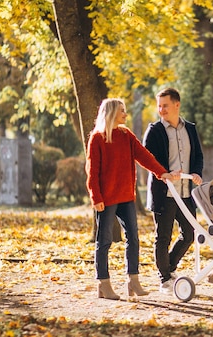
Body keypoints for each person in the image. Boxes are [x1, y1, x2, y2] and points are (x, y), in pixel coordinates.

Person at [86, 98, 175, 300]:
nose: (125, 114)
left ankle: (133, 281)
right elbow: (92, 172)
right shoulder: (98, 138)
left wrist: (162, 173)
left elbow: (144, 156)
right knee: (105, 240)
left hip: (126, 196)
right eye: (122, 111)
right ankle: (103, 284)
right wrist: (96, 196)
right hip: (106, 198)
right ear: (110, 113)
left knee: (133, 238)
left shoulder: (126, 135)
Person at [143, 87, 204, 293]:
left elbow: (198, 156)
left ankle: (168, 268)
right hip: (165, 193)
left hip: (185, 192)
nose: (161, 110)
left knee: (189, 234)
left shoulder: (190, 129)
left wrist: (196, 172)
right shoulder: (155, 130)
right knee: (163, 237)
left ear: (177, 105)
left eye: (165, 105)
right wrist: (166, 173)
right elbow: (149, 160)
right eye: (159, 106)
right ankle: (165, 279)